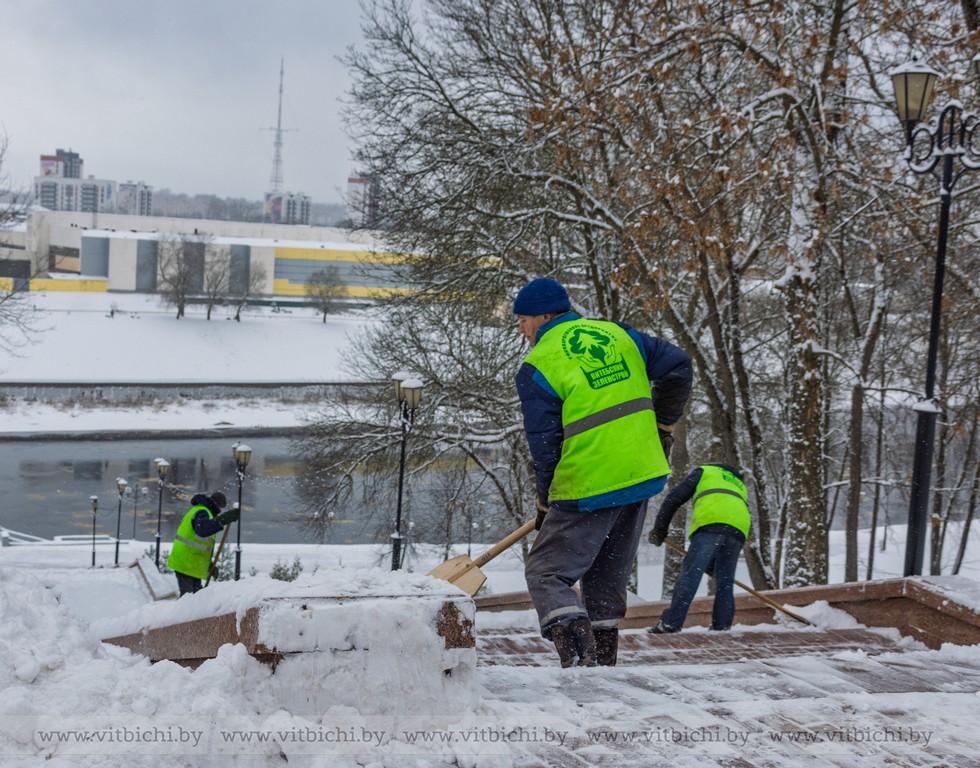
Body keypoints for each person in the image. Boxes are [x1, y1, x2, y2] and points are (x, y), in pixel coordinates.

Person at [514, 277, 692, 668]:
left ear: (545, 316)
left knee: (547, 573)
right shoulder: (619, 334)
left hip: (590, 479)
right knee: (607, 566)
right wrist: (662, 426)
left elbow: (545, 448)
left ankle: (577, 659)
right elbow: (679, 365)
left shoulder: (537, 364)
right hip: (642, 471)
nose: (522, 330)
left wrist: (547, 501)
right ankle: (603, 656)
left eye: (523, 321)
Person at [647, 463, 751, 633]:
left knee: (690, 574)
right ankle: (722, 625)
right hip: (739, 527)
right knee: (725, 580)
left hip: (711, 521)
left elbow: (674, 498)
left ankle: (671, 623)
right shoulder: (738, 483)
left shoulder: (705, 471)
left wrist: (660, 529)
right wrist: (712, 564)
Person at [166, 491, 239, 596]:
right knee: (188, 602)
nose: (219, 512)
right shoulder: (201, 511)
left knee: (197, 600)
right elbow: (203, 530)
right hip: (186, 564)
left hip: (191, 565)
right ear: (219, 506)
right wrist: (223, 519)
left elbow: (201, 545)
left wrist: (209, 566)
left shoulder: (205, 513)